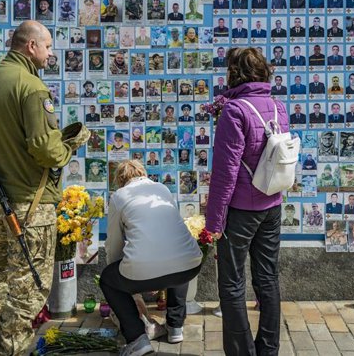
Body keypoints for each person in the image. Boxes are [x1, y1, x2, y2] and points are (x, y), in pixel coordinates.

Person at [0, 21, 87, 355]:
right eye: (47, 46)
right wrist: (71, 145)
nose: (50, 53)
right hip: (29, 203)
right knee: (28, 284)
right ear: (31, 46)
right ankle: (9, 347)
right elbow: (47, 150)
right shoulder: (31, 87)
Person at [206, 47, 288, 355]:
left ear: (233, 74)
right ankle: (268, 349)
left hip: (241, 210)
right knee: (267, 278)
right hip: (272, 205)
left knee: (232, 283)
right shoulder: (278, 106)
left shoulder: (235, 111)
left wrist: (214, 222)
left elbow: (225, 172)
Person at [101, 160, 202, 355]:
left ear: (120, 180)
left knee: (108, 279)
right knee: (177, 259)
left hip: (143, 269)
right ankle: (175, 327)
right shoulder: (161, 188)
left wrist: (124, 276)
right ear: (143, 173)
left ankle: (137, 339)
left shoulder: (118, 196)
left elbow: (114, 244)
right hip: (191, 263)